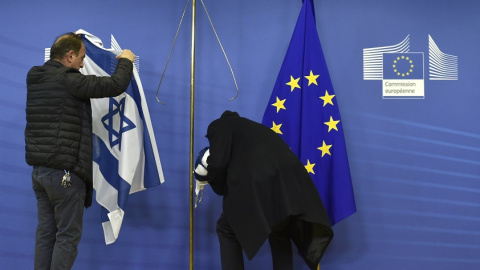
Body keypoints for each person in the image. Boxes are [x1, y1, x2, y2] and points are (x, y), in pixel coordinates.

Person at [25, 32, 136, 270]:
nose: (83, 65)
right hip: (65, 176)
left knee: (46, 235)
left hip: (40, 174)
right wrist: (125, 60)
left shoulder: (35, 77)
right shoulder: (69, 79)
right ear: (70, 55)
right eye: (81, 58)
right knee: (66, 238)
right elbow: (115, 85)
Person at [194, 110, 333, 270]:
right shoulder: (255, 129)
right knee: (279, 230)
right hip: (290, 181)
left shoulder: (219, 126)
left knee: (226, 228)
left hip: (261, 178)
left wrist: (214, 182)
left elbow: (218, 164)